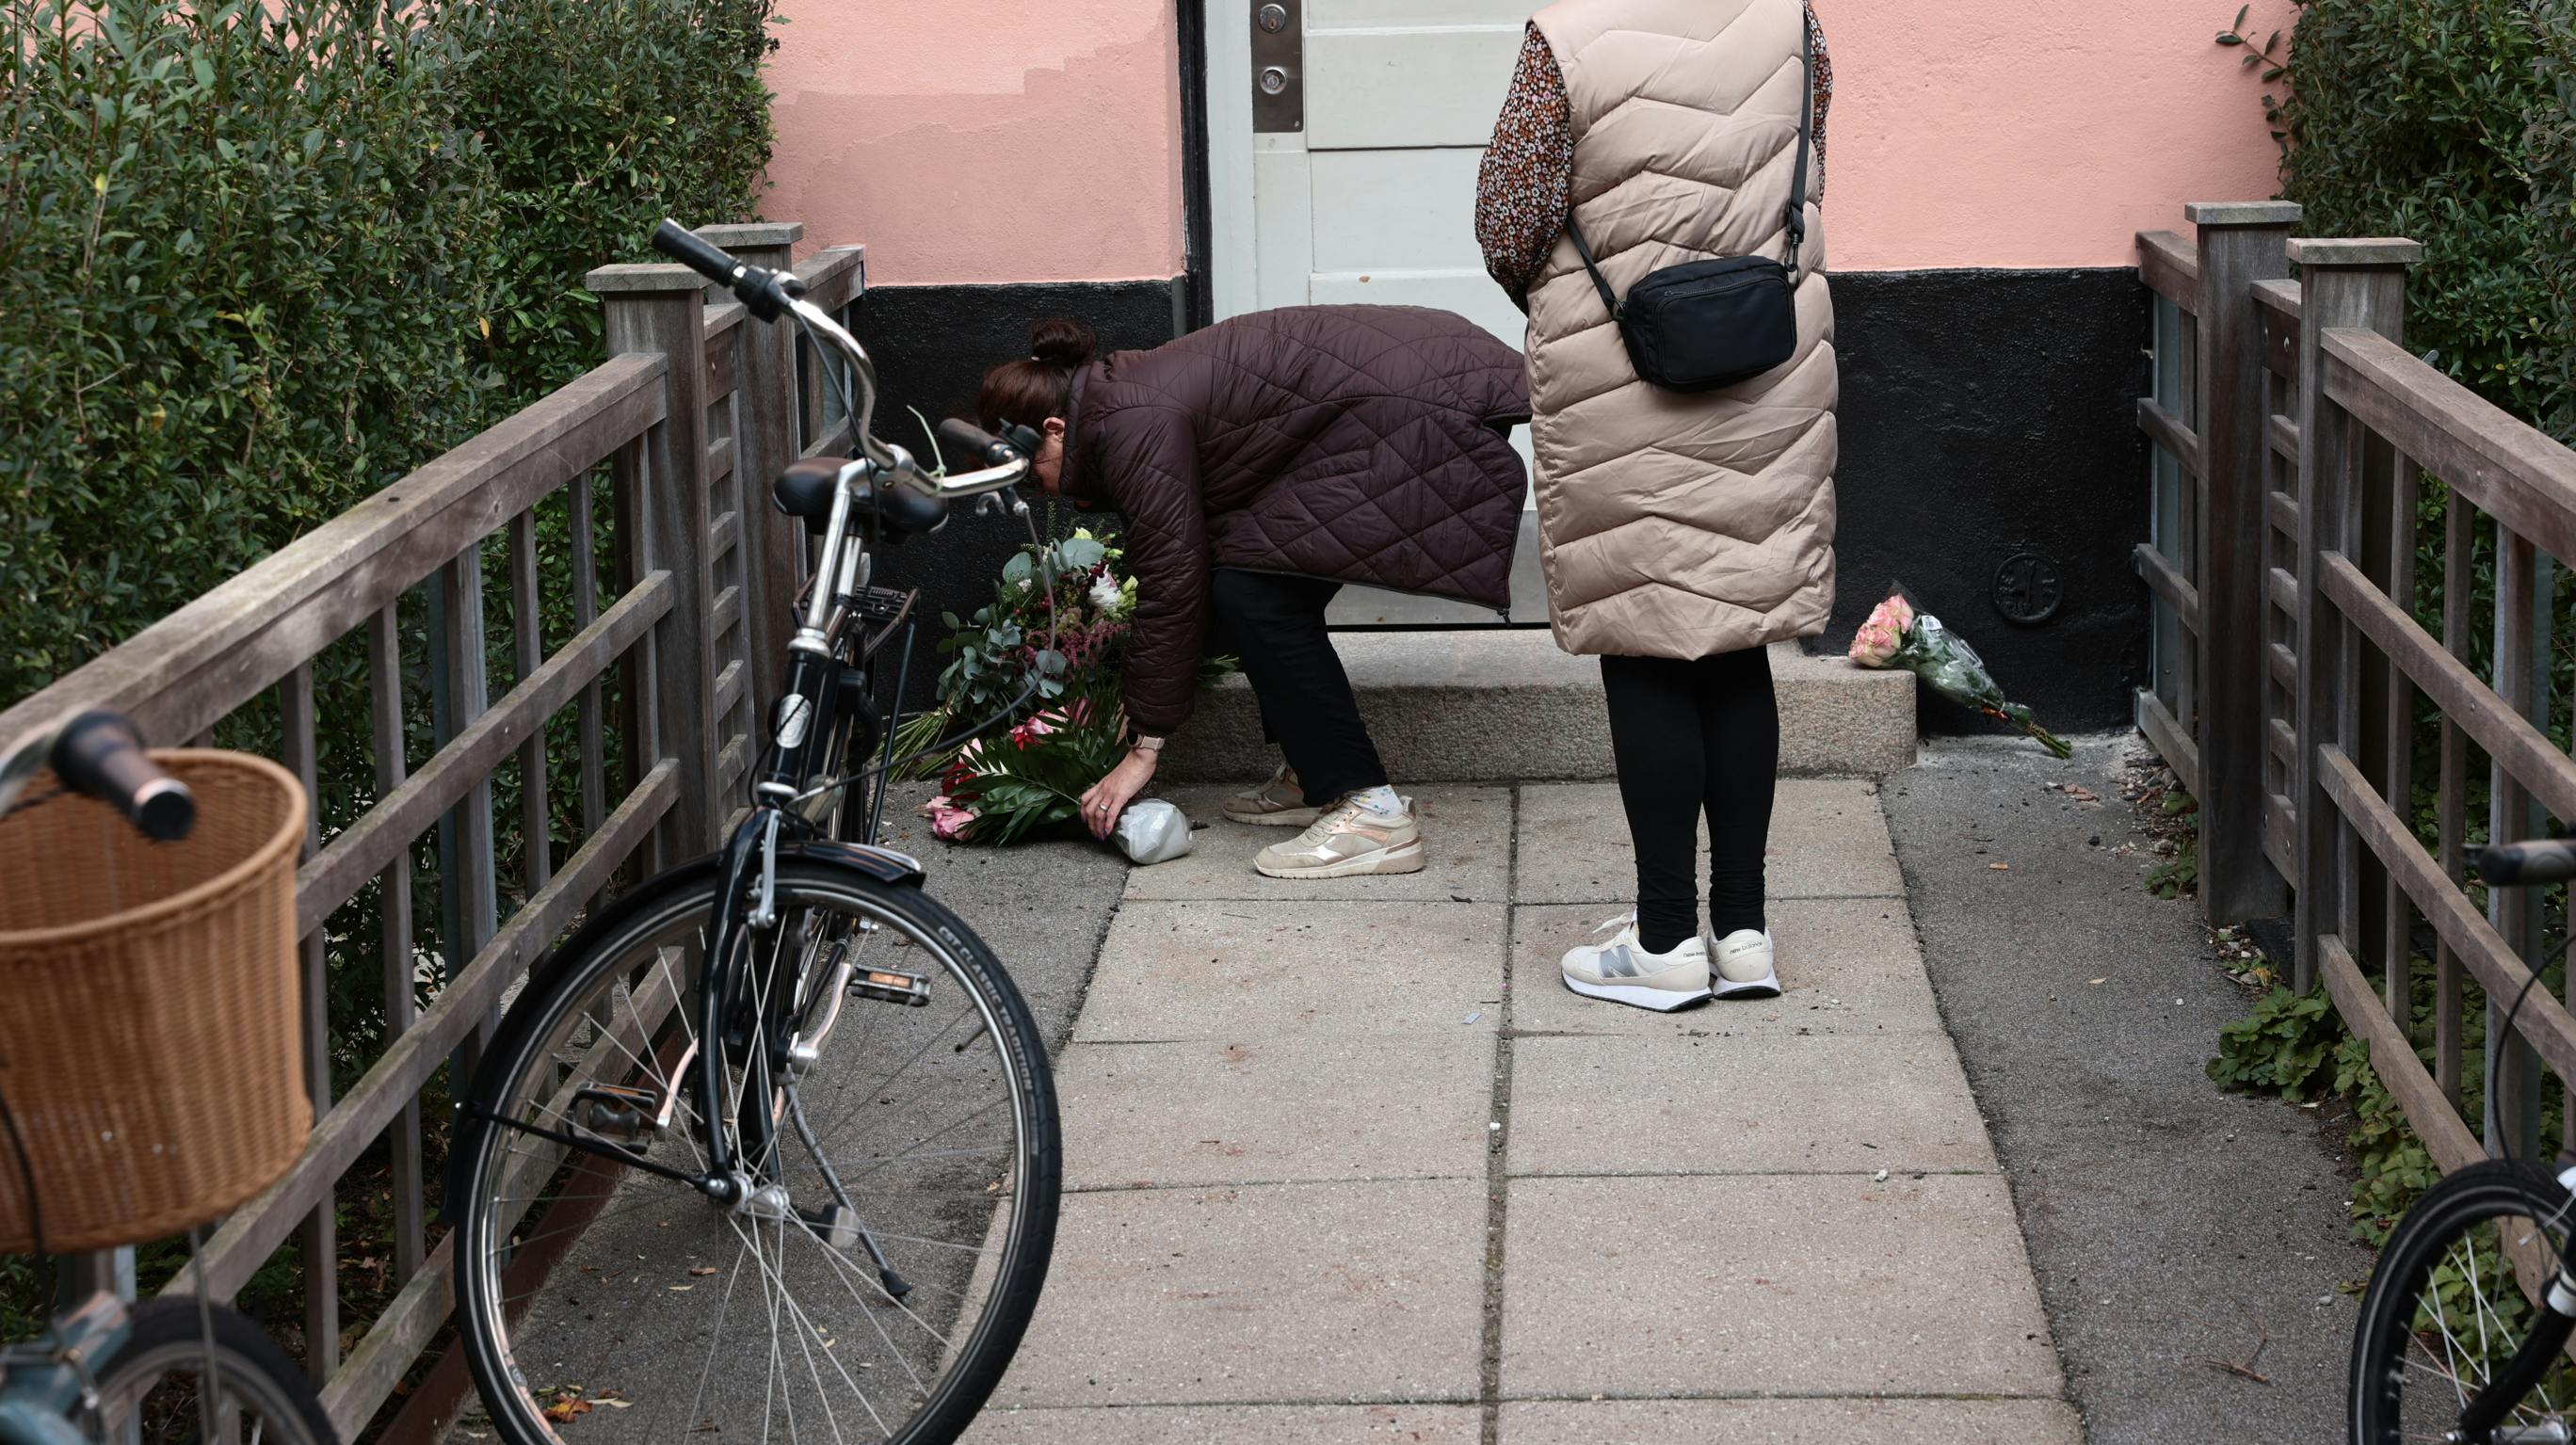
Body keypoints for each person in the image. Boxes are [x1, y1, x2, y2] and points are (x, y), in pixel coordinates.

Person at [1476, 0, 1836, 1009]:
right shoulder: (1795, 21)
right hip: (1766, 363)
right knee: (1736, 636)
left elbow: (1507, 224)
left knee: (1646, 642)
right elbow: (1801, 167)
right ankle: (1745, 935)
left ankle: (1668, 939)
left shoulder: (1566, 41)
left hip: (1619, 373)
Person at [975, 309, 1530, 877]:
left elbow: (1172, 579)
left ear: (1055, 428)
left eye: (1030, 473)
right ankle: (1315, 771)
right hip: (1400, 392)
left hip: (1412, 407)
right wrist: (1141, 694)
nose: (1038, 490)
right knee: (1249, 584)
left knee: (1258, 599)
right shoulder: (1119, 402)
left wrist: (1146, 745)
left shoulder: (1127, 421)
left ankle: (1372, 815)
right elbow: (1189, 558)